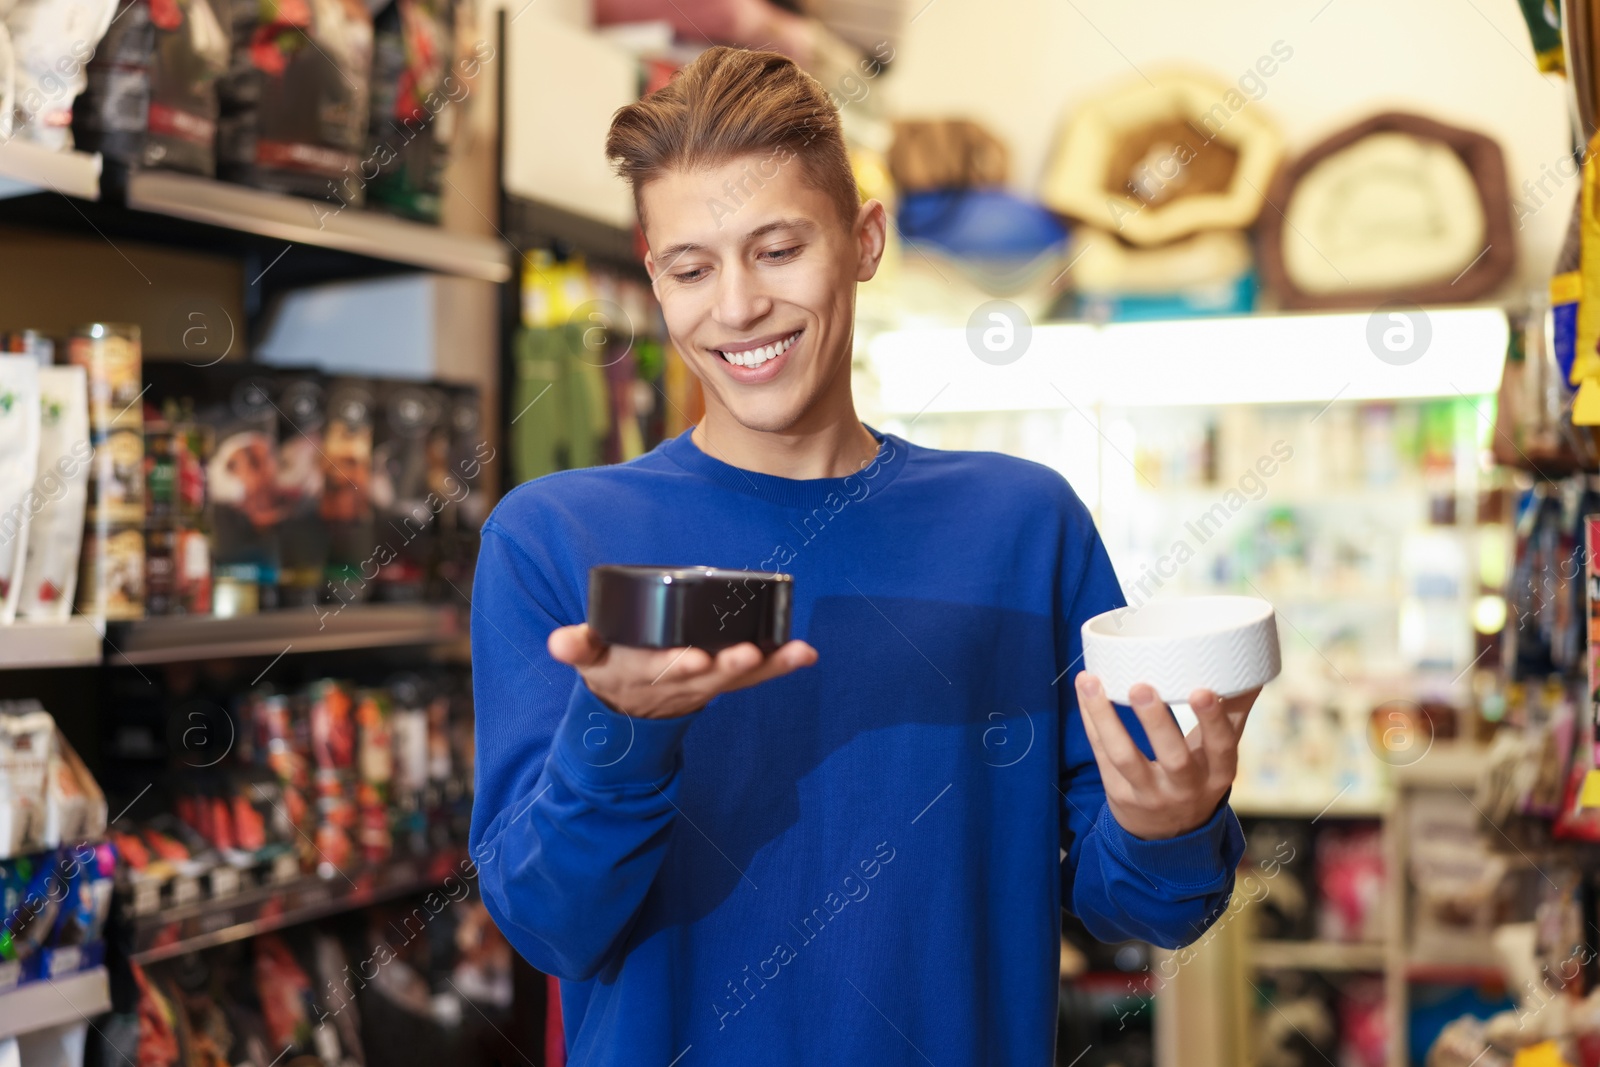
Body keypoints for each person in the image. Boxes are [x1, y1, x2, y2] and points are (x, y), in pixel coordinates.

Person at [469, 45, 1256, 1065]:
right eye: (691, 267)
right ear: (653, 275)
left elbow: (1144, 905)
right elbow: (546, 921)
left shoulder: (1021, 526)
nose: (737, 305)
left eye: (778, 248)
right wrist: (618, 728)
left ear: (863, 239)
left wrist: (1171, 821)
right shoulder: (554, 541)